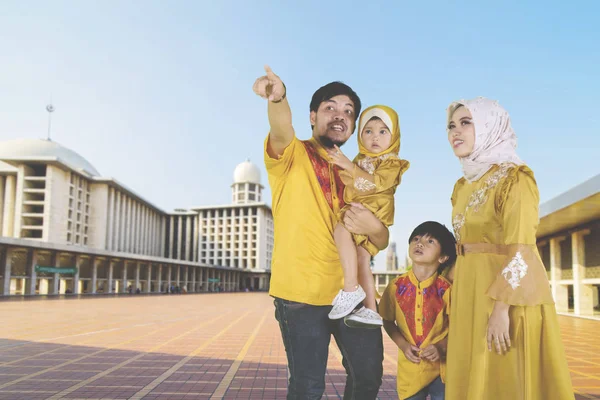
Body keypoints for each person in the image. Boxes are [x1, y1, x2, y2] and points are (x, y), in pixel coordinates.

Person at [254, 65, 386, 399]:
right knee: (307, 387)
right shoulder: (291, 154)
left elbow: (379, 240)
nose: (340, 116)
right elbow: (281, 127)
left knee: (368, 378)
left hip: (352, 297)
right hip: (301, 297)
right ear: (312, 116)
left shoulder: (359, 174)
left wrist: (374, 227)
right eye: (330, 108)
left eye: (348, 112)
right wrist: (278, 98)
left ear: (354, 125)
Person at [444, 97, 574, 399]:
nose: (455, 132)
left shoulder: (516, 179)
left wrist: (501, 310)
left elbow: (523, 252)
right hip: (469, 295)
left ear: (490, 126)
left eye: (466, 123)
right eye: (451, 126)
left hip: (506, 298)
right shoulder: (463, 186)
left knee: (504, 377)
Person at [327, 105, 409, 328]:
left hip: (373, 209)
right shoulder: (361, 159)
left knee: (341, 230)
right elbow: (348, 181)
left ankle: (351, 289)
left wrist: (348, 167)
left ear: (394, 136)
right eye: (368, 131)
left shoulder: (391, 162)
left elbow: (374, 185)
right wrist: (346, 167)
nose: (375, 137)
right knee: (362, 257)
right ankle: (371, 310)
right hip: (364, 209)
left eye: (383, 131)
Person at [380, 221, 456, 400]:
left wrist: (441, 346)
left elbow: (458, 327)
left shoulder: (447, 290)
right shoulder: (395, 287)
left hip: (441, 370)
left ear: (443, 257)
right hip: (410, 370)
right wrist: (403, 345)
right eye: (416, 238)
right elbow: (388, 321)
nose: (420, 243)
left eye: (430, 241)